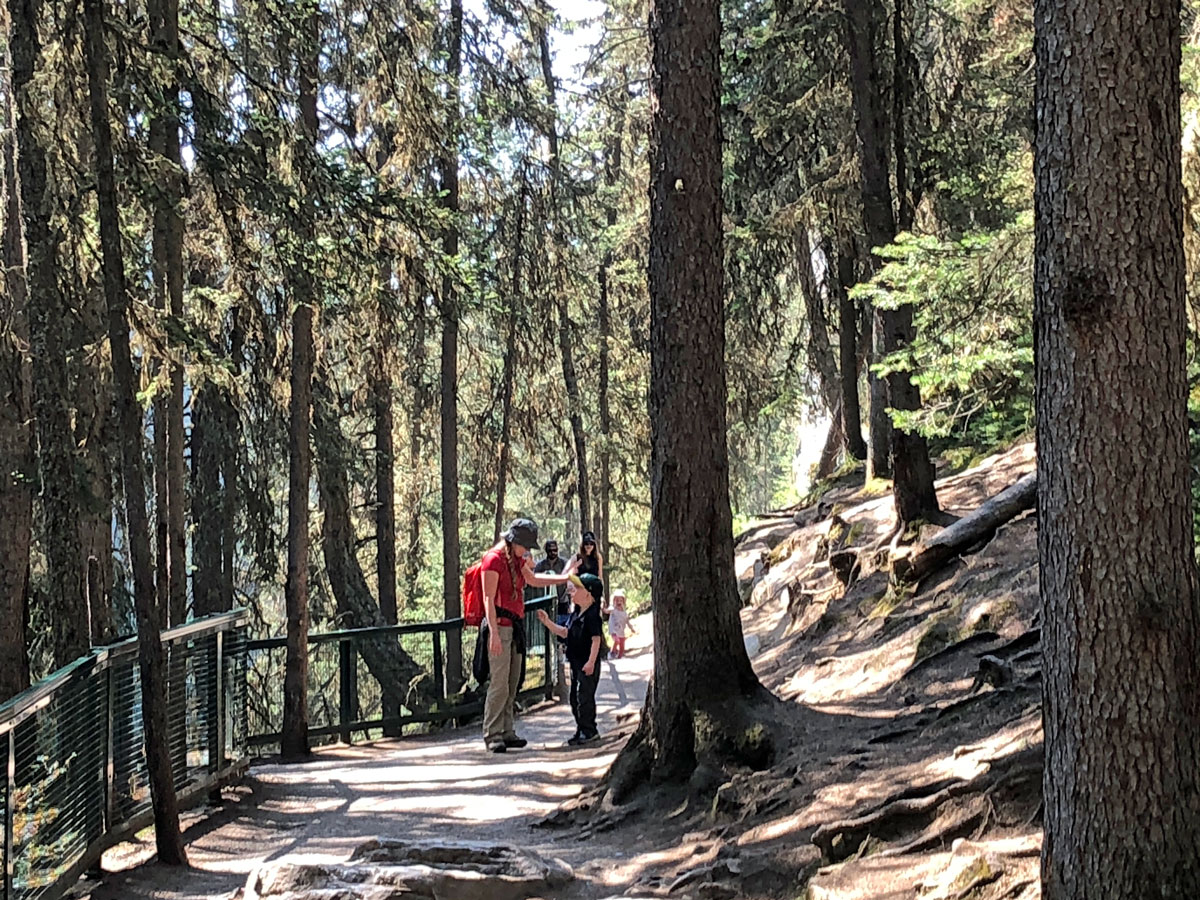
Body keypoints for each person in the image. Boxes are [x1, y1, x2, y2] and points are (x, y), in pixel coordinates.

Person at [481, 518, 572, 754]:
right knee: (499, 683)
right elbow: (488, 599)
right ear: (514, 541)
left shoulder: (517, 559)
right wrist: (493, 634)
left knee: (513, 681)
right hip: (499, 626)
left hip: (516, 625)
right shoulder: (493, 559)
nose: (528, 551)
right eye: (526, 546)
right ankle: (492, 733)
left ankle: (507, 730)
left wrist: (564, 578)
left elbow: (533, 579)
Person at [537, 573, 605, 746]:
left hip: (586, 664)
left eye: (578, 588)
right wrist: (548, 623)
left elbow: (596, 640)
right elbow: (565, 632)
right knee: (574, 698)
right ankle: (580, 728)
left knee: (584, 696)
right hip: (575, 663)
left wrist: (591, 662)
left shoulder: (592, 616)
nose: (572, 592)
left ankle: (589, 730)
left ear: (588, 594)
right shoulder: (575, 614)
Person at [603, 589, 635, 659]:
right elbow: (606, 611)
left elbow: (627, 621)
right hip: (614, 630)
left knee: (622, 646)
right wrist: (603, 607)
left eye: (620, 600)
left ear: (623, 602)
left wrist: (632, 628)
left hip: (621, 631)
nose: (619, 602)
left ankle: (619, 657)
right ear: (614, 601)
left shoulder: (624, 612)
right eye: (617, 600)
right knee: (616, 640)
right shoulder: (613, 609)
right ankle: (611, 653)